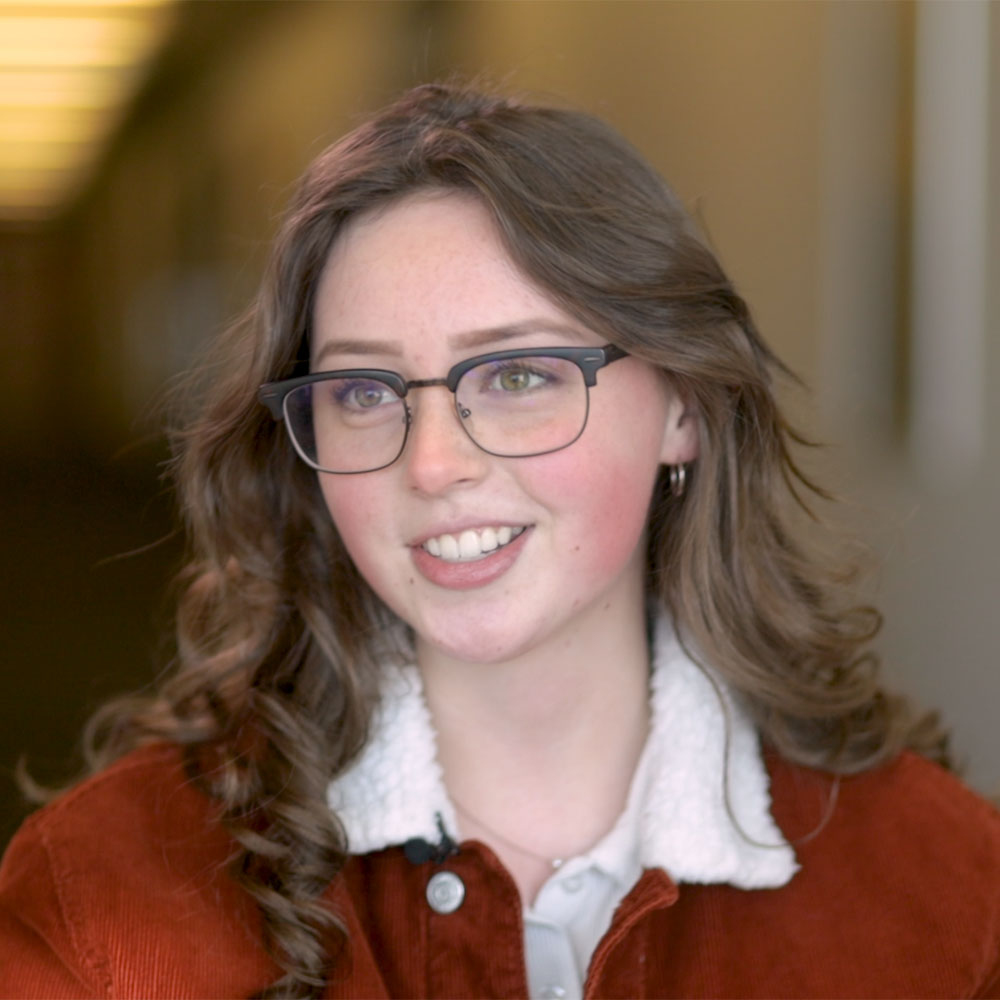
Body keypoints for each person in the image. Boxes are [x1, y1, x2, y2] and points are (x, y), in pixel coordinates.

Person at [0, 81, 997, 1000]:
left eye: (517, 376)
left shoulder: (948, 897)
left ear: (683, 408)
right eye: (362, 390)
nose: (431, 464)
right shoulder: (106, 900)